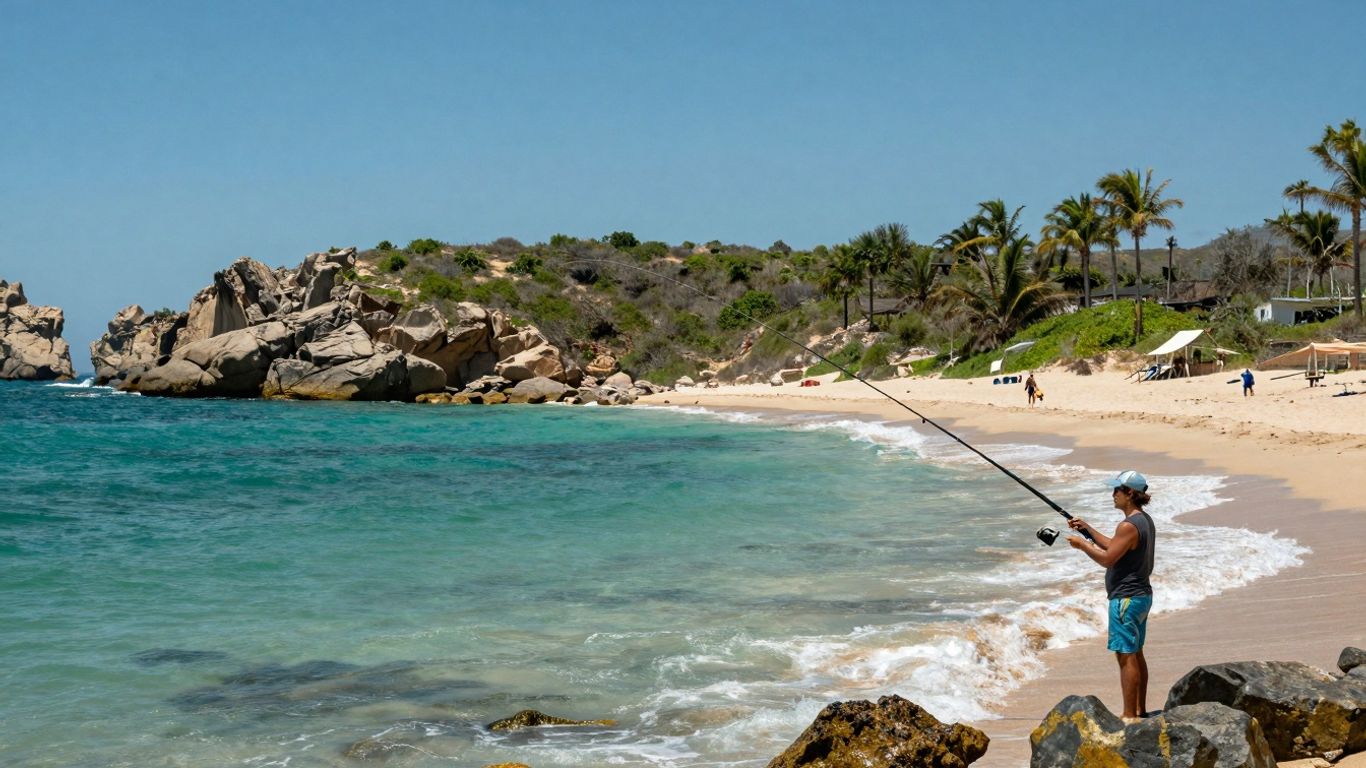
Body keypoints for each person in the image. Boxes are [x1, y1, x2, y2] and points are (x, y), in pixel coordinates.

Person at [1066, 470, 1156, 724]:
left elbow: (1108, 558)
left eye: (1116, 490)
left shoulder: (1128, 525)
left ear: (1129, 493)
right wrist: (1088, 530)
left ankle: (1129, 716)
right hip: (1140, 596)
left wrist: (1082, 545)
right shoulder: (1143, 520)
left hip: (1125, 600)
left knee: (1126, 655)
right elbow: (1114, 545)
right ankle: (1139, 710)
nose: (1113, 494)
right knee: (1135, 652)